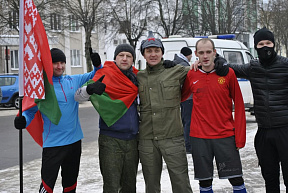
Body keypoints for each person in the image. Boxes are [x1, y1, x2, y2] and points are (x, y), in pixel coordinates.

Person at [14, 48, 105, 193]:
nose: (59, 66)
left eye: (62, 62)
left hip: (74, 143)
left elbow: (96, 75)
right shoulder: (42, 86)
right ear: (49, 65)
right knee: (47, 187)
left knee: (70, 185)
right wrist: (23, 120)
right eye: (55, 63)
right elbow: (30, 111)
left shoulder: (73, 80)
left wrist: (97, 64)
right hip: (53, 144)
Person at [213, 27, 288, 193]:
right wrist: (218, 60)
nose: (265, 47)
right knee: (270, 176)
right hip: (264, 132)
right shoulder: (253, 68)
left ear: (274, 44)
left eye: (268, 43)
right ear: (256, 46)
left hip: (285, 129)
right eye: (261, 44)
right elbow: (229, 68)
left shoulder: (285, 65)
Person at [182, 38, 247, 193]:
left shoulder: (227, 73)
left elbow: (238, 104)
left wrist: (240, 136)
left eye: (208, 52)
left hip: (224, 134)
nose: (205, 56)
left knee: (236, 179)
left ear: (214, 53)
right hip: (200, 137)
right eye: (201, 52)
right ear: (196, 54)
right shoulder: (192, 74)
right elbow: (181, 96)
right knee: (204, 183)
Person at [74, 44, 139, 193]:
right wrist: (89, 89)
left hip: (133, 140)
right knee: (111, 186)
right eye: (121, 55)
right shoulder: (106, 74)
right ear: (115, 58)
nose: (124, 58)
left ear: (133, 60)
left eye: (128, 56)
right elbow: (77, 96)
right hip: (111, 140)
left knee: (130, 186)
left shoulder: (138, 77)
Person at [137, 31, 193, 193]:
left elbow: (201, 71)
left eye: (156, 50)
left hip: (173, 137)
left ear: (162, 52)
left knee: (181, 183)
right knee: (152, 186)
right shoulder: (137, 77)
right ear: (143, 54)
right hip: (147, 139)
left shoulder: (177, 71)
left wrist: (220, 62)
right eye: (149, 51)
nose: (153, 54)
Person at [173, 47, 193, 153]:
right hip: (187, 97)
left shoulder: (176, 61)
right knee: (188, 121)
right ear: (188, 55)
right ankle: (187, 144)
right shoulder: (184, 65)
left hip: (181, 97)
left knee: (184, 120)